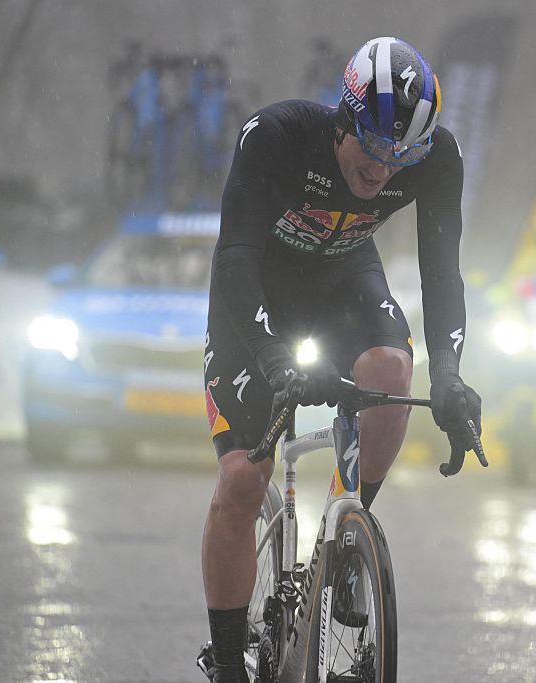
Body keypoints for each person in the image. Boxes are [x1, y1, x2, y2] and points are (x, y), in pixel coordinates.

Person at [200, 36, 482, 683]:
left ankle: (342, 545)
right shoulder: (273, 137)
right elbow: (235, 255)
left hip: (343, 281)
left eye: (402, 152)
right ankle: (225, 663)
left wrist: (450, 375)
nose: (385, 168)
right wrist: (272, 355)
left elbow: (444, 275)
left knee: (392, 368)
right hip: (254, 297)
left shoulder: (435, 159)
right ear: (345, 116)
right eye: (376, 145)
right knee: (245, 477)